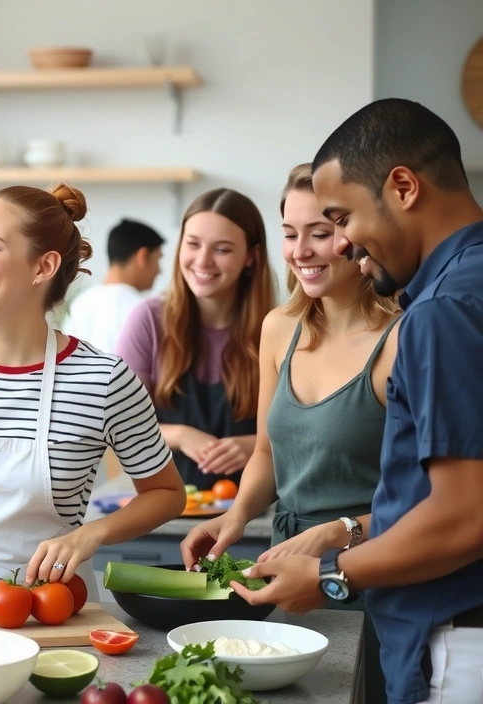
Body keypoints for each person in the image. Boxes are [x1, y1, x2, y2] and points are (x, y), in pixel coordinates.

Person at [233, 99, 483, 704]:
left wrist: (330, 575)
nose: (340, 243)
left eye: (340, 218)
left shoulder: (438, 313)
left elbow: (463, 515)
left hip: (453, 634)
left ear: (402, 187)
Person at [0, 183, 185, 591]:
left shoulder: (104, 379)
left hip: (54, 609)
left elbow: (167, 493)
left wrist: (91, 533)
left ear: (43, 267)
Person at [180, 163, 400, 704]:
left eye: (321, 233)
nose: (301, 250)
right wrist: (233, 517)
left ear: (358, 232)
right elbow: (266, 452)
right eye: (289, 233)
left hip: (372, 573)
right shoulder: (280, 327)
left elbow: (426, 499)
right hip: (286, 573)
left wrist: (334, 538)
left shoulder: (404, 337)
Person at [115, 189, 276, 491]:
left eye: (222, 249)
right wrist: (179, 435)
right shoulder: (148, 320)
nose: (203, 261)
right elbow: (120, 427)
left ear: (251, 257)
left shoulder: (277, 328)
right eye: (193, 244)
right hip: (162, 510)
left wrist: (255, 445)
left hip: (255, 513)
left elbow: (306, 434)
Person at [62, 218, 164, 353]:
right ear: (143, 256)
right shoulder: (144, 309)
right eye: (158, 259)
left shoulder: (80, 304)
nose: (159, 271)